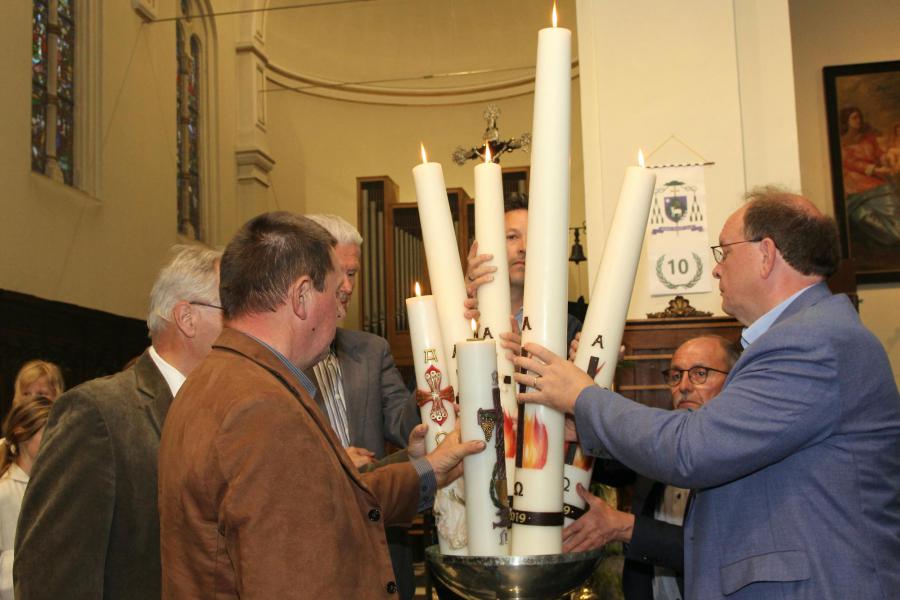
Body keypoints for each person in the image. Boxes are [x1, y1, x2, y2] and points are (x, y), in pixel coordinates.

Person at [514, 188, 900, 599]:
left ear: (766, 254)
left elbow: (693, 449)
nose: (716, 269)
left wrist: (583, 396)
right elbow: (708, 435)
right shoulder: (809, 335)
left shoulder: (812, 341)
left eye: (724, 252)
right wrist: (587, 423)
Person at [157, 212, 484, 599]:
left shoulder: (215, 378)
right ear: (301, 297)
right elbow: (295, 578)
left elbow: (330, 502)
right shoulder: (263, 407)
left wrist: (428, 469)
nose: (341, 310)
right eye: (333, 293)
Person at [14, 245, 223, 600]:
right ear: (187, 318)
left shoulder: (222, 410)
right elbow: (49, 576)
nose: (248, 327)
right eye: (233, 309)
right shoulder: (97, 413)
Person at [567, 336, 739, 600]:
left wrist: (624, 526)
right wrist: (591, 371)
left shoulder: (742, 451)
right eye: (675, 376)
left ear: (735, 380)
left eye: (700, 374)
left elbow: (722, 550)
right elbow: (605, 464)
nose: (683, 386)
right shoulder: (656, 441)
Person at [307, 214, 421, 600]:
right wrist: (333, 461)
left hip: (379, 540)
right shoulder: (278, 359)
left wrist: (439, 368)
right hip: (315, 544)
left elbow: (406, 426)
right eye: (339, 272)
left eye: (353, 274)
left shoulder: (371, 351)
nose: (347, 287)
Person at [464, 192, 581, 349]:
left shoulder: (568, 329)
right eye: (512, 237)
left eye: (532, 237)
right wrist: (461, 301)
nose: (524, 248)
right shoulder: (464, 318)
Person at [0, 396, 52, 600]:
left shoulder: (53, 486)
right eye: (47, 429)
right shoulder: (4, 492)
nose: (54, 437)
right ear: (21, 432)